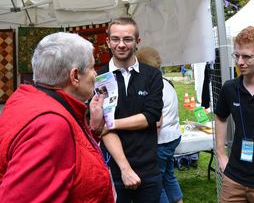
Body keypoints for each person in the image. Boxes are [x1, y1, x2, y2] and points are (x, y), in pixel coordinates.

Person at [0, 32, 114, 202]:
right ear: (75, 76)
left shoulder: (29, 100)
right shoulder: (50, 125)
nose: (95, 74)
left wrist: (94, 131)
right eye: (91, 67)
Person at [98, 17, 164, 203]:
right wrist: (125, 169)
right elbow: (101, 129)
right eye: (115, 39)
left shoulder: (152, 75)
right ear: (108, 41)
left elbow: (151, 116)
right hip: (115, 170)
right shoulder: (100, 77)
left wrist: (111, 123)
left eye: (127, 39)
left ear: (137, 42)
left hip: (149, 168)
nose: (121, 45)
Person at [215, 26, 254, 202]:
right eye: (236, 55)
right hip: (234, 176)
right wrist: (221, 153)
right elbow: (220, 117)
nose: (239, 62)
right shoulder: (230, 88)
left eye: (246, 56)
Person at [136, 46, 183, 203]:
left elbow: (156, 121)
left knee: (156, 183)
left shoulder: (152, 86)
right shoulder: (166, 82)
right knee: (169, 176)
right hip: (172, 137)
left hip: (161, 141)